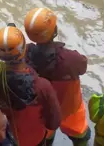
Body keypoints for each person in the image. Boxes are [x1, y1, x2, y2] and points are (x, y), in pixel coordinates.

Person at [0, 24, 61, 146]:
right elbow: (53, 123)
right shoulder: (42, 86)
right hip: (32, 140)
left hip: (2, 139)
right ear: (24, 50)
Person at [24, 8, 90, 146]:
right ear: (54, 31)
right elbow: (83, 67)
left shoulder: (25, 56)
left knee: (46, 134)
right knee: (80, 135)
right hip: (70, 109)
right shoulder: (71, 59)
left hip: (45, 111)